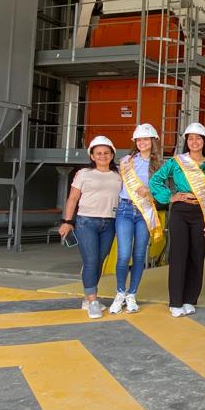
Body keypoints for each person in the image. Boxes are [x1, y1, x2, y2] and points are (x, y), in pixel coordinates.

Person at [150, 122, 205, 317]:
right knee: (178, 256)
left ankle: (190, 299)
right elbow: (155, 180)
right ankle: (175, 302)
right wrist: (170, 196)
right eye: (191, 138)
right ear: (186, 141)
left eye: (198, 138)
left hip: (201, 213)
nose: (194, 141)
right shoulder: (176, 162)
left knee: (196, 256)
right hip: (180, 212)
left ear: (204, 141)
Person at [58, 135, 122, 319]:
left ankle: (88, 299)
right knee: (91, 260)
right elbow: (72, 198)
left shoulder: (119, 175)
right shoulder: (83, 173)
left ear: (112, 155)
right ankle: (93, 300)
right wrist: (67, 221)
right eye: (98, 153)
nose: (102, 156)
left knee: (99, 261)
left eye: (106, 153)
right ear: (92, 156)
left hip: (110, 223)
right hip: (86, 222)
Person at [109, 123, 164, 315]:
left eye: (145, 139)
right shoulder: (126, 161)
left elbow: (163, 193)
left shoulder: (159, 165)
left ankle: (132, 294)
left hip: (144, 212)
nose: (142, 142)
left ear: (153, 141)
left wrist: (150, 191)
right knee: (123, 255)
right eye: (139, 140)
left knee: (139, 255)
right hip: (125, 209)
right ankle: (120, 293)